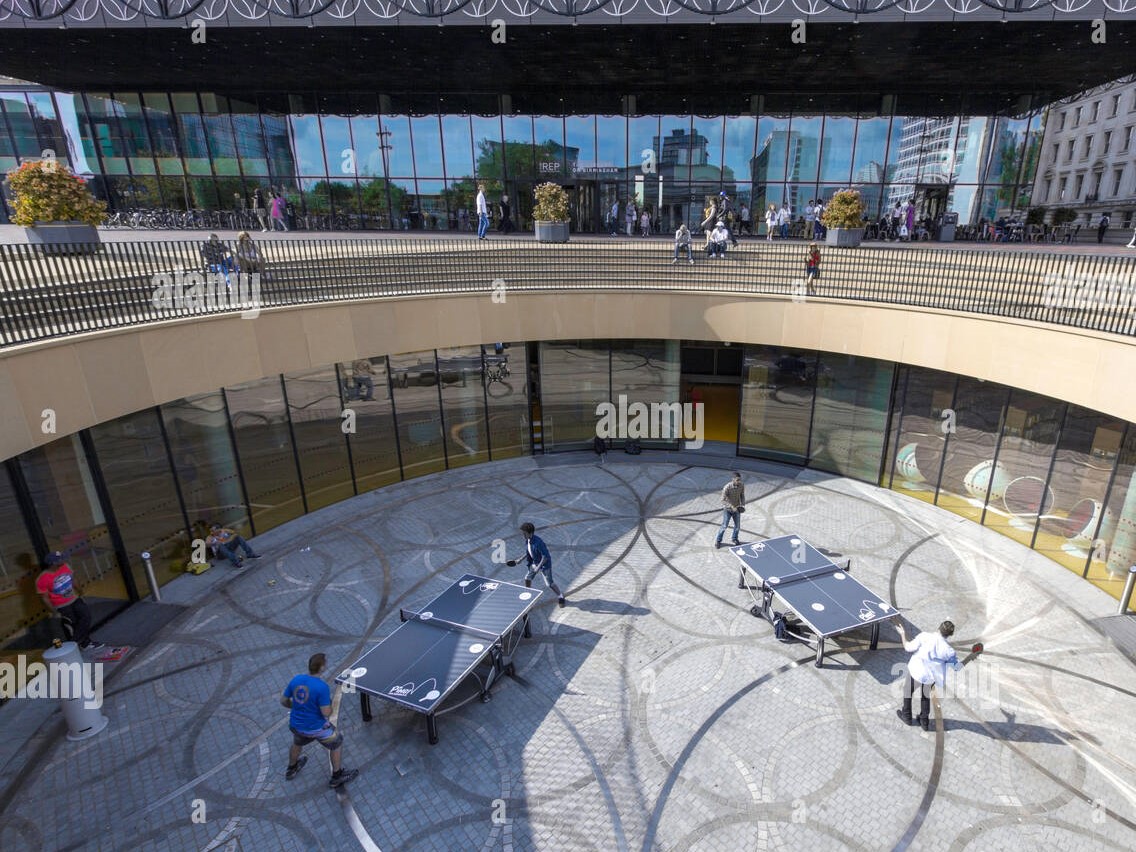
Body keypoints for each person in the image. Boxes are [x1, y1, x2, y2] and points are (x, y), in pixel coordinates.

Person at [281, 652, 359, 788]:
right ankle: (336, 776)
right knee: (336, 742)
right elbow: (326, 712)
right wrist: (331, 707)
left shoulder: (296, 679)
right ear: (322, 668)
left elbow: (283, 701)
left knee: (297, 743)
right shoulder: (321, 687)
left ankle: (291, 768)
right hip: (315, 728)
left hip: (296, 726)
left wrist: (296, 707)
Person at [895, 619, 962, 731]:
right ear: (950, 635)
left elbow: (907, 647)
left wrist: (902, 634)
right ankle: (924, 721)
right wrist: (971, 657)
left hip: (916, 672)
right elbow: (956, 667)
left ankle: (906, 716)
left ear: (939, 628)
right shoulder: (949, 651)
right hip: (931, 677)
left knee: (907, 691)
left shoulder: (924, 636)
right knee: (925, 697)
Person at [36, 552, 103, 652]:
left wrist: (80, 591)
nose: (63, 560)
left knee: (86, 616)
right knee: (73, 624)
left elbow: (73, 579)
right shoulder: (42, 579)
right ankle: (84, 643)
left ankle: (73, 644)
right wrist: (54, 611)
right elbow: (45, 598)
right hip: (61, 605)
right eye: (60, 559)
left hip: (74, 598)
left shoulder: (65, 566)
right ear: (53, 563)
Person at [506, 522, 566, 607]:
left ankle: (560, 596)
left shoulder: (538, 542)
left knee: (550, 584)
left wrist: (538, 567)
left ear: (530, 533)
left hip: (545, 565)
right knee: (527, 578)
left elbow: (545, 556)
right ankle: (528, 594)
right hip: (535, 563)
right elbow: (529, 552)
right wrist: (520, 559)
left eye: (524, 533)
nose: (523, 535)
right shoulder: (528, 540)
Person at [714, 472, 745, 548]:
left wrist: (742, 504)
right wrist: (731, 506)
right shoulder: (727, 487)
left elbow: (742, 495)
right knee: (724, 525)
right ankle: (718, 540)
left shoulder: (741, 485)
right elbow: (722, 500)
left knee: (737, 526)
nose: (739, 481)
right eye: (737, 480)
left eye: (740, 480)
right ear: (733, 479)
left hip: (737, 508)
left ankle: (734, 539)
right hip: (727, 510)